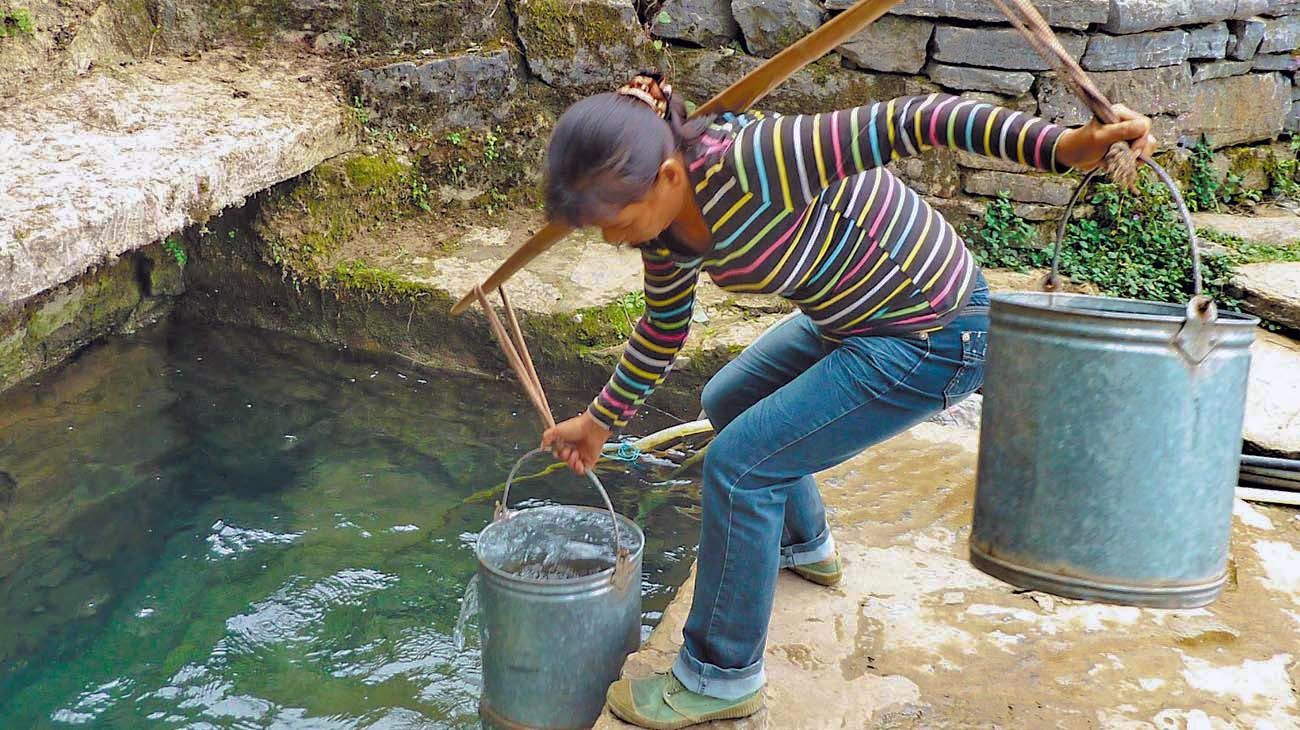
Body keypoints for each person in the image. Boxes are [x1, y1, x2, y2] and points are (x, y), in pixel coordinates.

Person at [535, 71, 1157, 728]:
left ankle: (720, 677)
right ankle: (804, 545)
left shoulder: (759, 159)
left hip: (933, 329)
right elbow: (664, 328)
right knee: (728, 400)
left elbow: (915, 120)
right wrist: (600, 422)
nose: (613, 240)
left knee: (740, 466)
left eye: (617, 221)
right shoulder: (662, 232)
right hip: (851, 320)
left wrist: (1061, 148)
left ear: (666, 174)